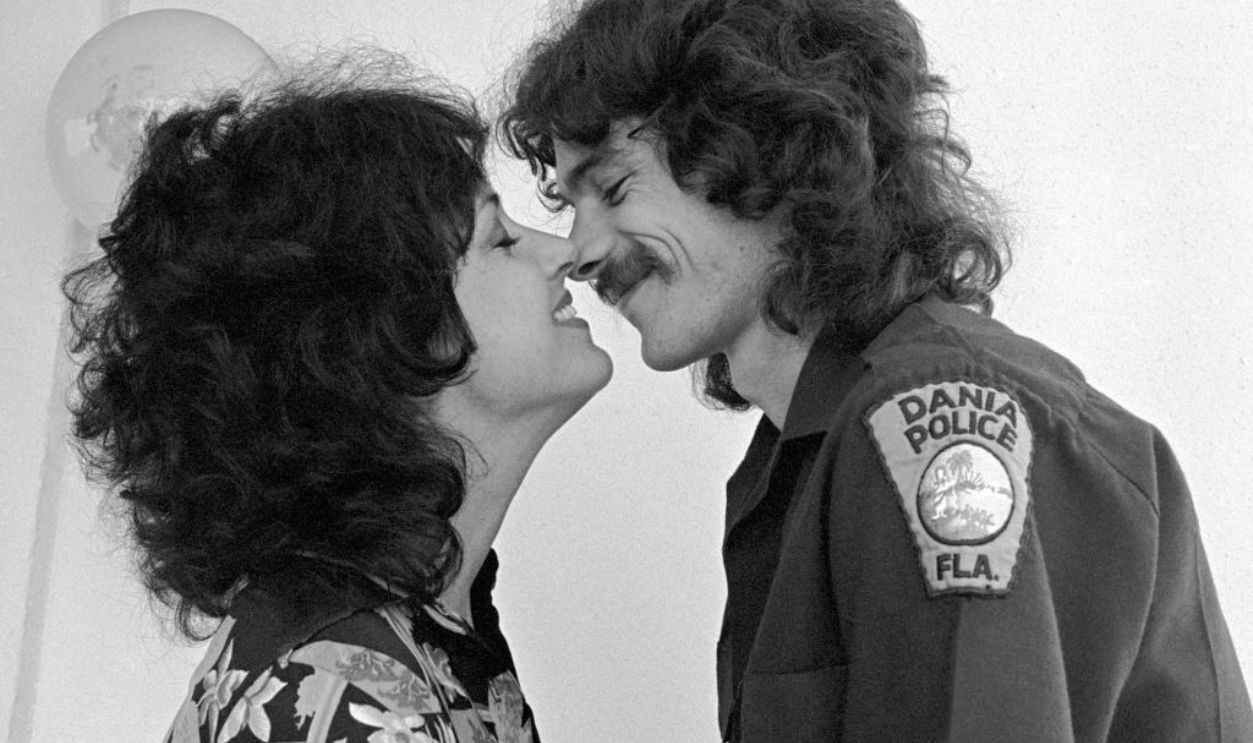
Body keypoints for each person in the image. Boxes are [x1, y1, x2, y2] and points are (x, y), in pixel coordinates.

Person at [501, 0, 1253, 740]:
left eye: (613, 188)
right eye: (569, 202)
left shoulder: (932, 416)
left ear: (762, 148)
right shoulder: (813, 445)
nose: (578, 248)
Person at [63, 55, 611, 743]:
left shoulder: (411, 628)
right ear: (376, 334)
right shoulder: (336, 690)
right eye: (500, 240)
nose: (563, 251)